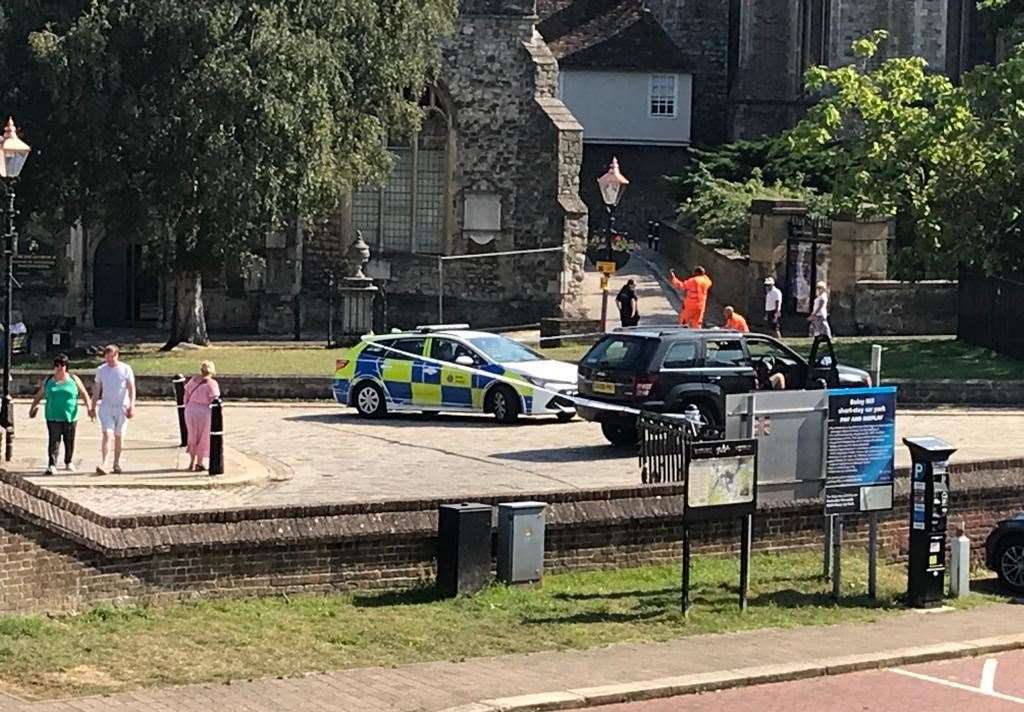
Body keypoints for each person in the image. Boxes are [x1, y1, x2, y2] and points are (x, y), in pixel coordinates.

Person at [28, 354, 93, 475]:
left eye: (62, 365)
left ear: (66, 366)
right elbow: (39, 395)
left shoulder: (73, 379)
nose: (59, 368)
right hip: (53, 415)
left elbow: (84, 393)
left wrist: (89, 408)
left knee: (69, 440)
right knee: (54, 440)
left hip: (70, 415)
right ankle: (52, 464)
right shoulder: (49, 381)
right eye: (57, 365)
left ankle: (68, 461)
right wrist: (33, 407)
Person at [91, 344, 136, 475]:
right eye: (107, 357)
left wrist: (132, 405)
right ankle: (104, 462)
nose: (109, 360)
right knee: (107, 433)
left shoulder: (126, 369)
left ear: (117, 355)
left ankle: (116, 463)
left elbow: (131, 388)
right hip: (106, 406)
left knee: (119, 435)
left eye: (111, 357)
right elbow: (97, 389)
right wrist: (92, 406)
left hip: (122, 406)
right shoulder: (101, 370)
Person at [184, 361, 221, 472]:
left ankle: (191, 461)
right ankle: (199, 463)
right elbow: (214, 399)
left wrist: (187, 407)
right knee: (203, 436)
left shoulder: (193, 380)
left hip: (191, 409)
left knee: (192, 435)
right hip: (204, 411)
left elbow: (186, 395)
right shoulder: (212, 383)